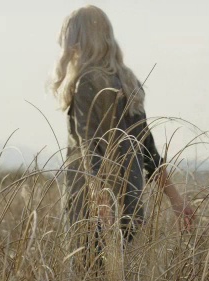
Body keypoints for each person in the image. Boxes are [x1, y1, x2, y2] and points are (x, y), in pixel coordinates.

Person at [52, 5, 195, 244]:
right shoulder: (128, 82)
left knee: (89, 279)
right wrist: (176, 200)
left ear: (77, 41)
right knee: (124, 279)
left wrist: (101, 201)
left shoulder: (86, 82)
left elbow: (90, 149)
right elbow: (148, 151)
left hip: (91, 209)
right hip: (130, 202)